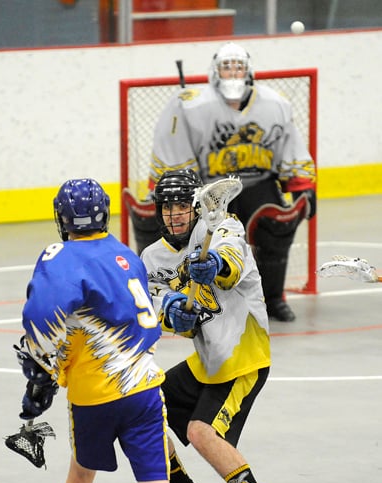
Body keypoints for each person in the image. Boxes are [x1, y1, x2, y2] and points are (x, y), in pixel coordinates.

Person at [130, 168, 296, 483]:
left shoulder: (222, 227)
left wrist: (216, 265)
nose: (174, 215)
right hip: (207, 358)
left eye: (181, 207)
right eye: (166, 207)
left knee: (201, 432)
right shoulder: (151, 258)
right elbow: (155, 309)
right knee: (142, 407)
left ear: (194, 208)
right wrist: (169, 312)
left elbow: (231, 264)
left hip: (243, 354)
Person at [15, 178, 178, 483]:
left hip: (95, 395)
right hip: (145, 391)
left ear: (62, 218)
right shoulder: (126, 254)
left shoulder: (61, 257)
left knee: (80, 475)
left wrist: (41, 371)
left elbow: (41, 315)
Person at [125, 41, 316, 322]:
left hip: (258, 184)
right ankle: (177, 293)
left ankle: (273, 297)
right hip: (207, 186)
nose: (233, 74)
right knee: (182, 230)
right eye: (227, 68)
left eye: (238, 67)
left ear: (249, 71)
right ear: (215, 72)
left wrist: (303, 186)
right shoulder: (190, 105)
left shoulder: (276, 104)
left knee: (278, 224)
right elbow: (173, 153)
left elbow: (292, 148)